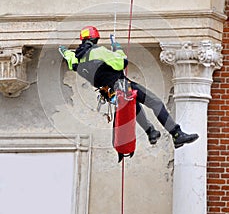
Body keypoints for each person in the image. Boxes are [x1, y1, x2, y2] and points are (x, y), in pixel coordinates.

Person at [59, 25, 199, 149]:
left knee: (134, 105)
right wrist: (117, 48)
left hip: (110, 94)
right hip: (122, 85)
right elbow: (122, 63)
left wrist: (65, 51)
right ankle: (176, 134)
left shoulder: (77, 58)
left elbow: (70, 59)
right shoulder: (98, 51)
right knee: (155, 102)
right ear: (95, 40)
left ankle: (151, 132)